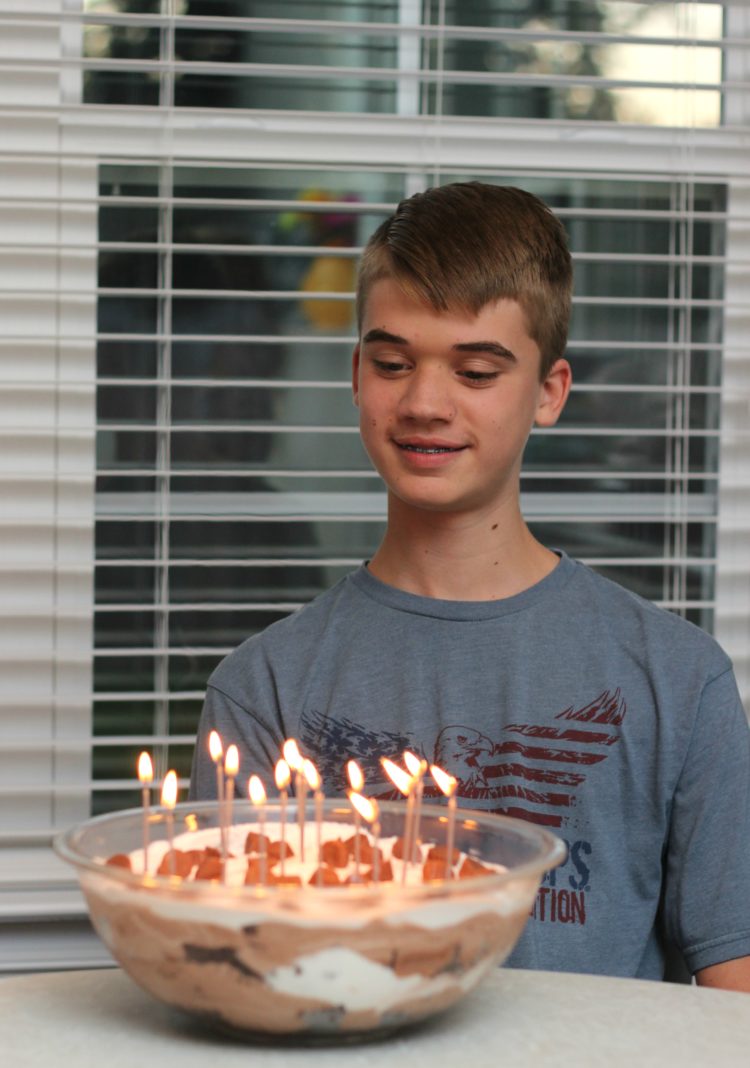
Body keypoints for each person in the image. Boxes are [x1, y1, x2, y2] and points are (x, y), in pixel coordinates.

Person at [190, 182, 750, 991]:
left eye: (477, 371)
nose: (424, 403)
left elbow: (735, 1004)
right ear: (356, 376)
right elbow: (234, 986)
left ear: (550, 392)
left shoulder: (677, 679)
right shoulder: (264, 689)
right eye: (393, 364)